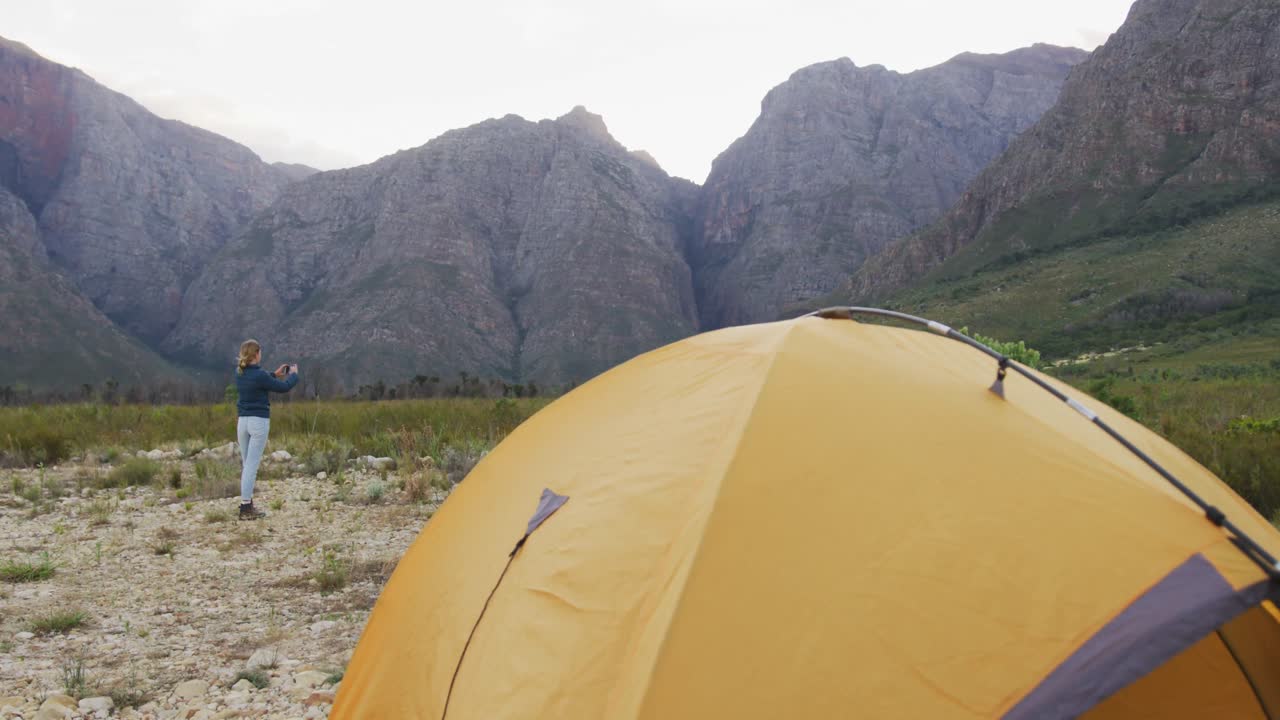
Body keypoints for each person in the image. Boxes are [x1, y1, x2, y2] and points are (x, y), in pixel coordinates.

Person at [234, 339, 298, 520]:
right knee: (251, 466)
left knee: (247, 465)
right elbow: (283, 387)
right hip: (258, 422)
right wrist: (293, 375)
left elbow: (259, 380)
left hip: (243, 422)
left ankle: (247, 504)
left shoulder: (239, 372)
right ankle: (246, 507)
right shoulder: (260, 375)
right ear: (256, 354)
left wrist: (274, 374)